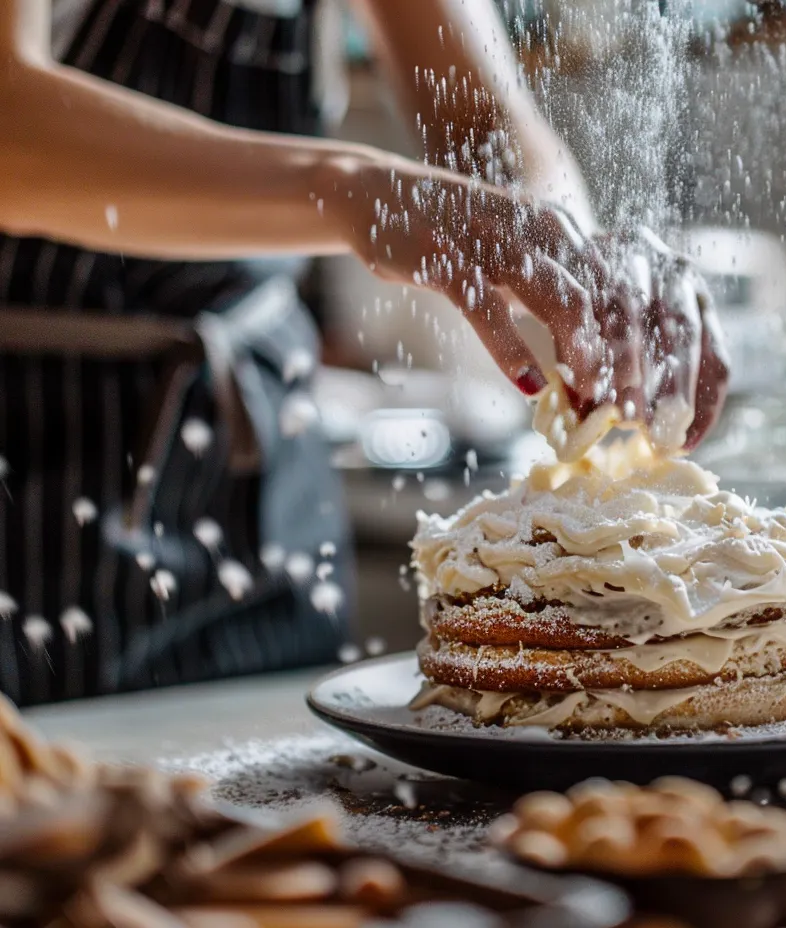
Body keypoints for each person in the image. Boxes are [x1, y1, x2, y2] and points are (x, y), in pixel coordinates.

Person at [0, 0, 729, 706]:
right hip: (36, 455)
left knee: (276, 772)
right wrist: (349, 190)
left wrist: (579, 261)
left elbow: (482, 122)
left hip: (259, 461)